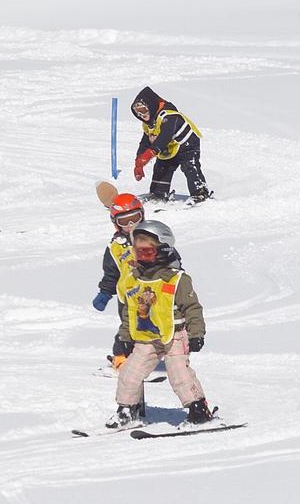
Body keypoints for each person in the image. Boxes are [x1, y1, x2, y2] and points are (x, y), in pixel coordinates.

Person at [107, 220, 214, 428]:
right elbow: (130, 312)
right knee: (129, 372)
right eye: (138, 253)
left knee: (179, 373)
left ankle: (199, 410)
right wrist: (126, 337)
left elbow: (193, 308)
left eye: (147, 253)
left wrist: (196, 334)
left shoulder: (176, 280)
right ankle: (126, 410)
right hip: (147, 337)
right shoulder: (133, 279)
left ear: (163, 251)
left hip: (175, 334)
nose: (141, 258)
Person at [130, 86, 212, 204]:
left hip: (187, 145)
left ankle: (200, 192)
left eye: (143, 110)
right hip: (169, 148)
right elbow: (145, 142)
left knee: (190, 167)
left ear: (151, 105)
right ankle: (158, 193)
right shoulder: (148, 123)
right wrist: (139, 161)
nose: (141, 115)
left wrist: (151, 152)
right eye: (137, 113)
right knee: (161, 168)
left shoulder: (168, 116)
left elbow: (165, 136)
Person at [92, 193, 146, 370]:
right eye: (125, 221)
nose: (131, 225)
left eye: (134, 218)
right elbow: (111, 273)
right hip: (128, 297)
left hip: (154, 293)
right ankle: (121, 357)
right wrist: (105, 293)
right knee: (129, 328)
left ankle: (159, 357)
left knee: (157, 325)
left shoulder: (154, 236)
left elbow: (170, 257)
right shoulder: (115, 247)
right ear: (116, 223)